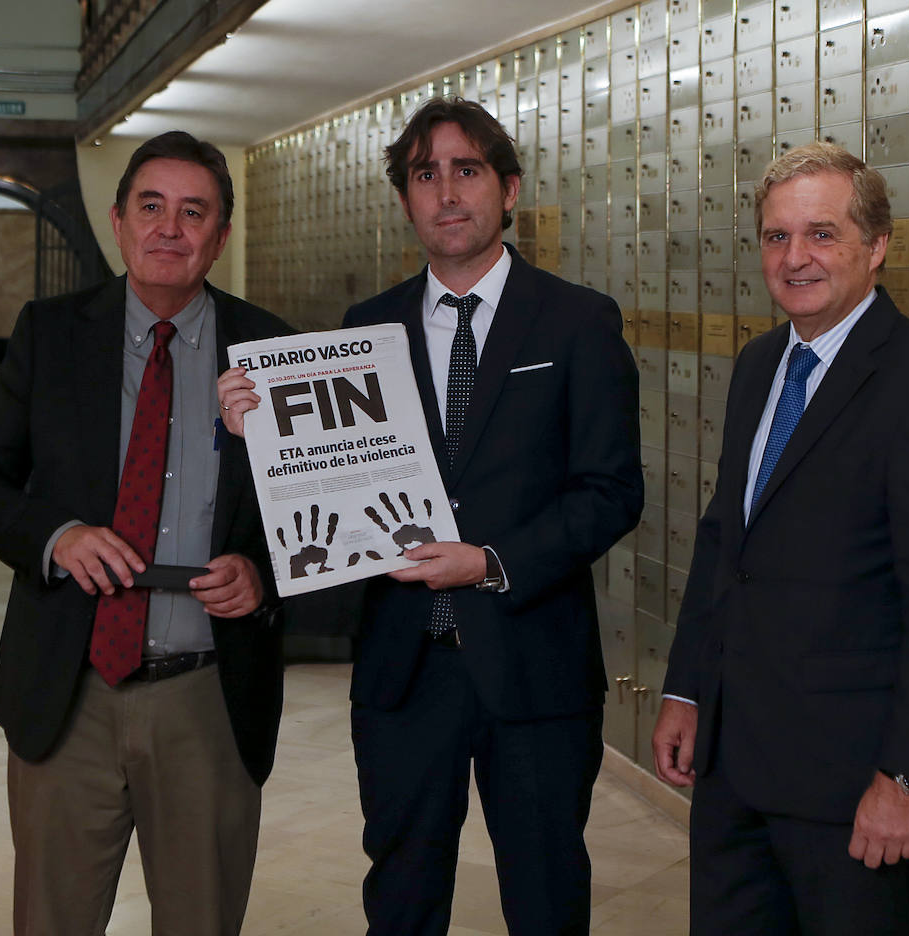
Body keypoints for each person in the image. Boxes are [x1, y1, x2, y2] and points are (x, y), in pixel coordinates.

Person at [222, 96, 642, 934]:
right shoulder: (362, 330)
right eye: (425, 174)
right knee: (403, 900)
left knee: (548, 898)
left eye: (468, 170)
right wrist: (252, 429)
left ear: (509, 189)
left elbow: (610, 493)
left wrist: (488, 561)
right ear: (406, 197)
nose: (447, 192)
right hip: (403, 674)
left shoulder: (577, 321)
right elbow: (323, 494)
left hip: (534, 666)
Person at [0, 130, 294, 935]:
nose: (169, 227)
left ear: (221, 236)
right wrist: (57, 534)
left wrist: (263, 576)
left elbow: (323, 513)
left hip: (208, 695)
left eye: (193, 211)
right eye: (151, 206)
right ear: (118, 221)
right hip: (69, 692)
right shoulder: (52, 333)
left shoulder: (276, 350)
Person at [652, 142, 909, 935]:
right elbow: (723, 543)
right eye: (777, 237)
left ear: (877, 246)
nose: (795, 257)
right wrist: (686, 688)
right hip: (733, 770)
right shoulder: (760, 363)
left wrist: (906, 778)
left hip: (849, 787)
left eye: (822, 234)